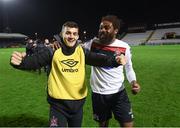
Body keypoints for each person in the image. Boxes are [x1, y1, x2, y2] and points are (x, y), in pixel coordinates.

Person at [10, 21, 126, 127]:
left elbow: (100, 59)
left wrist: (115, 60)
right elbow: (35, 61)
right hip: (58, 106)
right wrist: (19, 63)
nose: (71, 36)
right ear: (62, 34)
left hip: (78, 106)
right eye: (68, 33)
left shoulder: (82, 52)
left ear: (78, 36)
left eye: (74, 34)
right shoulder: (53, 51)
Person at [84, 15, 141, 127]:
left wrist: (134, 82)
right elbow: (75, 49)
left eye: (106, 27)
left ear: (115, 31)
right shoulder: (92, 44)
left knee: (128, 125)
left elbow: (129, 68)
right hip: (99, 94)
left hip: (119, 93)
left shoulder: (124, 47)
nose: (102, 30)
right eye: (101, 27)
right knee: (103, 125)